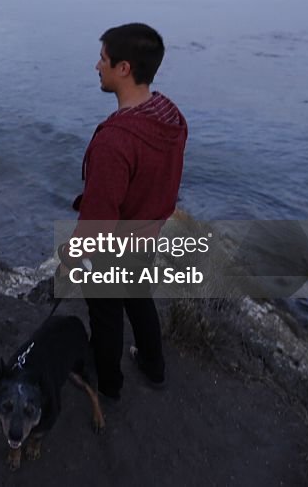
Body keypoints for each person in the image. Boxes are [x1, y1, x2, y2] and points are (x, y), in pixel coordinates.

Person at [62, 22, 187, 399]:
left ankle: (109, 386)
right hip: (148, 234)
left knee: (105, 316)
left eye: (102, 59)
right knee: (138, 297)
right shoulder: (169, 116)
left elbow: (98, 219)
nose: (96, 66)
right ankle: (154, 366)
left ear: (124, 68)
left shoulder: (115, 142)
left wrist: (71, 254)